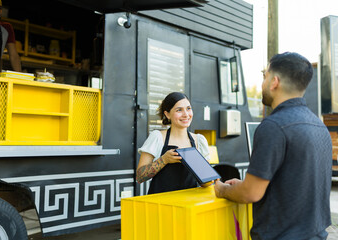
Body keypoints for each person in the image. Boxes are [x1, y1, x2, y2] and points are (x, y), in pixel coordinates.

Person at [214, 52, 332, 240]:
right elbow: (293, 183)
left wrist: (222, 190)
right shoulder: (318, 125)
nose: (262, 84)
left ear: (274, 82)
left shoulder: (273, 126)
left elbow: (251, 193)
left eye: (264, 77)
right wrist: (244, 184)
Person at [136, 92, 212, 194]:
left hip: (188, 205)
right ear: (167, 114)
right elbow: (140, 177)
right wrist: (164, 159)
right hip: (161, 204)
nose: (186, 114)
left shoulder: (199, 140)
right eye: (179, 110)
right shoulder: (158, 137)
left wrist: (209, 177)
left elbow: (205, 183)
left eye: (188, 108)